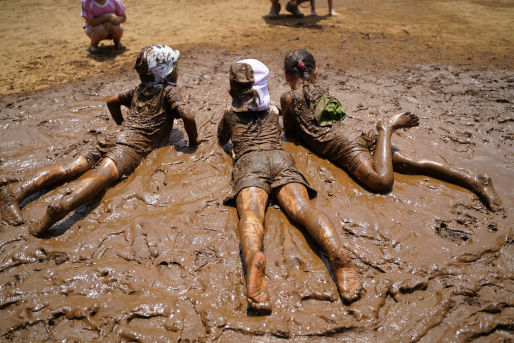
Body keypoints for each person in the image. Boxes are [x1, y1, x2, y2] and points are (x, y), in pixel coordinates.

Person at [0, 44, 201, 236]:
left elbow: (112, 100)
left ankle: (16, 192)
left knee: (71, 167)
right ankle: (60, 207)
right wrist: (193, 141)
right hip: (130, 146)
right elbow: (188, 115)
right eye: (176, 66)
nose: (178, 70)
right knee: (103, 174)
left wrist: (121, 124)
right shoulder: (168, 91)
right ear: (165, 72)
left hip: (113, 136)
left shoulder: (138, 89)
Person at [217, 58, 362, 313]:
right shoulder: (273, 111)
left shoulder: (229, 115)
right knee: (303, 210)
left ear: (232, 89)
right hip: (280, 159)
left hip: (250, 163)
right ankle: (336, 251)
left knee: (252, 214)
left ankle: (254, 259)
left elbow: (221, 139)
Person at [280, 49, 503, 212]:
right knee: (412, 164)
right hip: (360, 134)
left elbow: (291, 134)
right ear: (315, 72)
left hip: (345, 146)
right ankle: (476, 180)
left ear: (287, 76)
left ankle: (387, 127)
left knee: (381, 182)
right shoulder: (322, 89)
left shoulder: (288, 98)